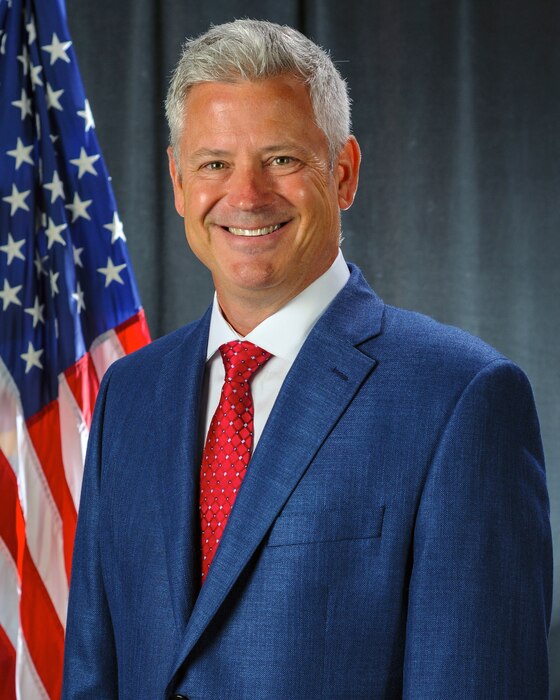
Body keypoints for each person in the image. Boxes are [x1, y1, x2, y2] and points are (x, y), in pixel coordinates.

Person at [62, 19, 552, 699]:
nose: (245, 196)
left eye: (282, 159)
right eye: (214, 164)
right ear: (177, 182)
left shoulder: (460, 400)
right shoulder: (129, 394)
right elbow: (93, 675)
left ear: (343, 173)